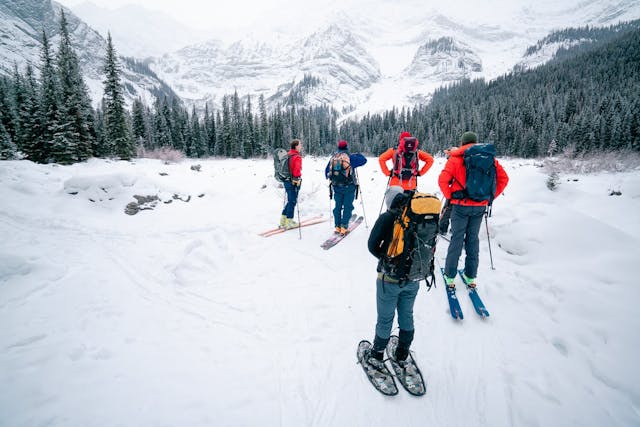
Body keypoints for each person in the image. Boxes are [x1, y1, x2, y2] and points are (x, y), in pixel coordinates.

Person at [438, 131, 509, 288]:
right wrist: (489, 197)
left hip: (460, 206)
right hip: (479, 207)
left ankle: (450, 277)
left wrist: (450, 197)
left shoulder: (455, 159)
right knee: (472, 239)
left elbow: (442, 180)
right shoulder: (489, 159)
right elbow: (504, 179)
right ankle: (470, 276)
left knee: (457, 239)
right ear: (476, 142)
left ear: (462, 143)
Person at [364, 186, 419, 367]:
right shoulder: (416, 216)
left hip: (389, 280)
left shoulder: (387, 217)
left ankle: (377, 355)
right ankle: (402, 352)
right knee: (407, 314)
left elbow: (372, 245)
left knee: (385, 318)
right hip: (413, 278)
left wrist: (387, 259)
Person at [324, 140, 367, 234]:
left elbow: (326, 173)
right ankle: (344, 227)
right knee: (348, 206)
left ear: (338, 148)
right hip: (349, 186)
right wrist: (358, 154)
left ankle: (337, 226)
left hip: (336, 187)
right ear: (347, 147)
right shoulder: (351, 158)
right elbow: (364, 160)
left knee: (338, 206)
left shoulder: (333, 158)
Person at [279, 139, 303, 229]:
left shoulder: (288, 155)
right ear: (296, 146)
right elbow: (296, 171)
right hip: (293, 181)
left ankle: (283, 220)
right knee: (292, 201)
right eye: (300, 144)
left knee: (290, 200)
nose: (301, 146)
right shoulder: (297, 156)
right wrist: (297, 179)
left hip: (286, 180)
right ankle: (289, 221)